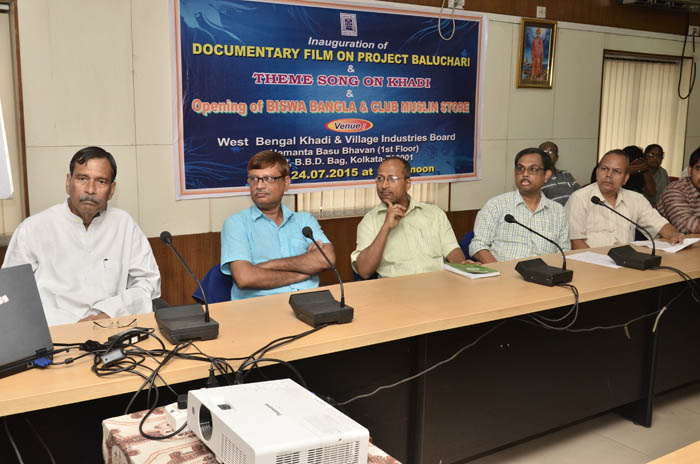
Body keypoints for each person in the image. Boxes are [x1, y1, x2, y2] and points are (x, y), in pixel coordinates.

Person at [2, 146, 160, 326]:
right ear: (68, 182)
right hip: (54, 332)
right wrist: (73, 324)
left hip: (112, 328)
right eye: (82, 179)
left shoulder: (124, 225)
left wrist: (110, 312)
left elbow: (148, 282)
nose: (90, 189)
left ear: (112, 190)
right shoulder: (32, 229)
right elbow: (12, 293)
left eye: (101, 181)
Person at [220, 150, 334, 300]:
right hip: (261, 305)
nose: (259, 186)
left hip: (310, 301)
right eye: (253, 179)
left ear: (286, 183)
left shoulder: (304, 221)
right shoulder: (236, 224)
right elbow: (244, 278)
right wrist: (302, 273)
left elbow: (327, 259)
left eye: (268, 179)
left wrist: (265, 266)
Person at [351, 157, 466, 279]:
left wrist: (464, 266)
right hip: (395, 288)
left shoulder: (434, 213)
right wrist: (386, 227)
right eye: (380, 178)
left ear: (408, 183)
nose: (384, 185)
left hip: (437, 284)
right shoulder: (370, 221)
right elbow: (364, 271)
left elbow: (452, 250)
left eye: (392, 179)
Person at [565, 149, 684, 249]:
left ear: (625, 178)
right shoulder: (579, 198)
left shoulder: (636, 199)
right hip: (590, 263)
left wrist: (674, 234)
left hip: (626, 262)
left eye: (617, 171)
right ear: (597, 172)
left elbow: (660, 225)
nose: (609, 175)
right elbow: (575, 243)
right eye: (604, 169)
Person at [470, 148, 570, 263]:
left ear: (546, 175)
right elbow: (478, 245)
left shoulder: (558, 211)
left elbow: (564, 251)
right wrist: (499, 270)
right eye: (520, 169)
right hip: (505, 271)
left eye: (533, 169)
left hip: (546, 272)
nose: (525, 174)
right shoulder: (496, 205)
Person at [657, 146, 700, 234]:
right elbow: (685, 226)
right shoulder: (675, 189)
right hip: (669, 242)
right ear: (690, 171)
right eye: (699, 169)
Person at [539, 141, 580, 205]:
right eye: (544, 151)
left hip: (574, 208)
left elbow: (580, 193)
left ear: (557, 157)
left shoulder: (566, 174)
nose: (547, 154)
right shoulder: (537, 178)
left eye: (551, 152)